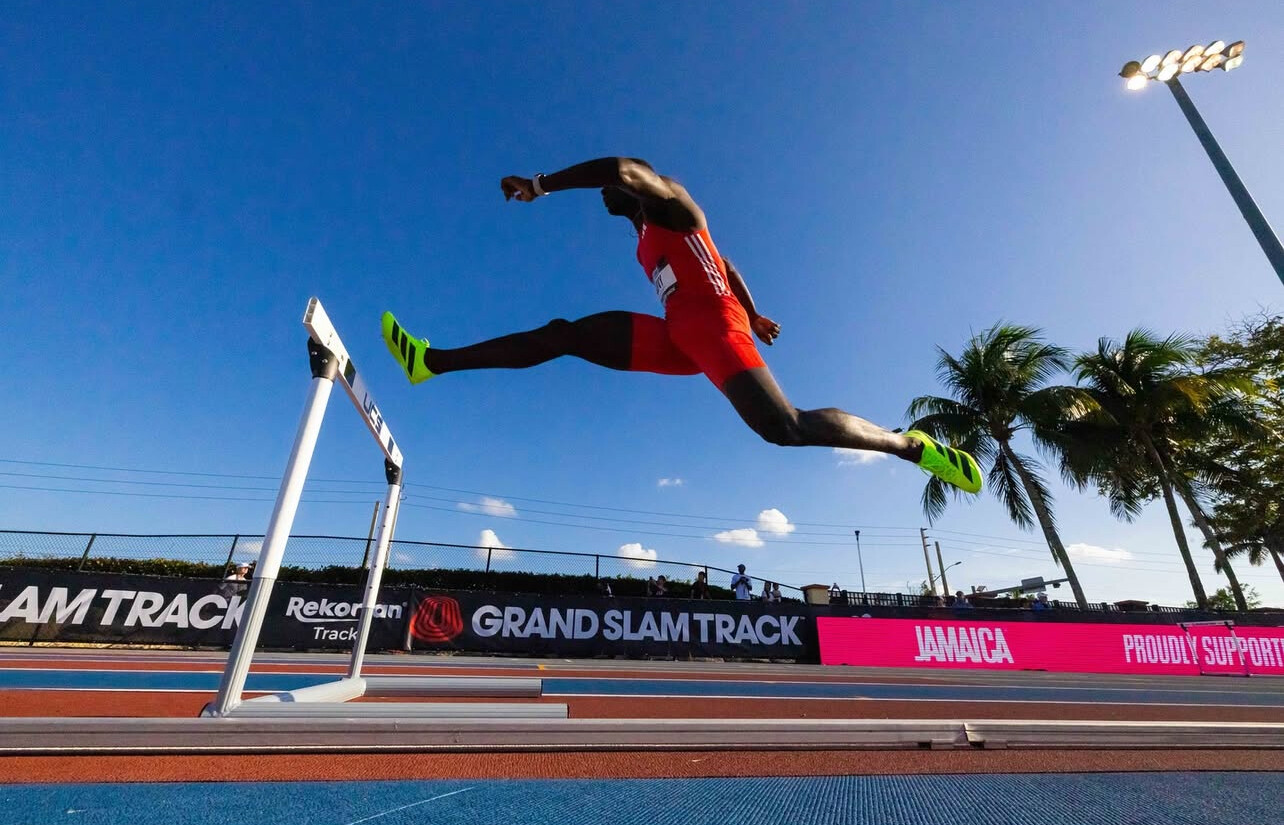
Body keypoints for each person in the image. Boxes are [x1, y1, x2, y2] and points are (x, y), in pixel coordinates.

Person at [380, 157, 984, 496]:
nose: (604, 196)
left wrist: (541, 185)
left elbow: (622, 167)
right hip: (677, 334)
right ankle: (431, 363)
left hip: (716, 327)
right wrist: (757, 309)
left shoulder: (673, 203)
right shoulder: (642, 230)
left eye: (611, 191)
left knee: (785, 428)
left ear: (636, 188)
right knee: (564, 333)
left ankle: (912, 447)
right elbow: (728, 264)